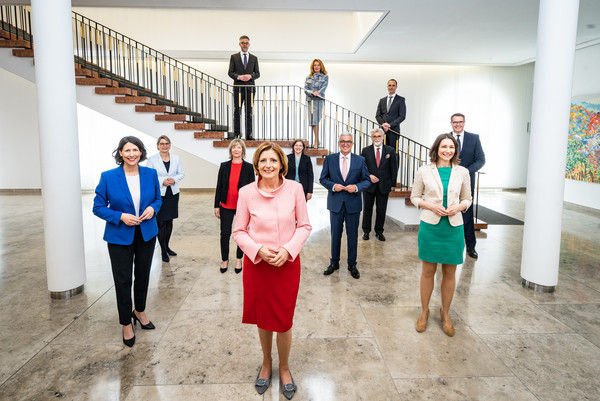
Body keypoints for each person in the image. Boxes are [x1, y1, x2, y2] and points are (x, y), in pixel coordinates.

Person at [232, 142, 312, 399]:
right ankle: (266, 363)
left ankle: (285, 367)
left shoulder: (295, 189)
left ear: (282, 165)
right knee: (264, 318)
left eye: (273, 161)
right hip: (258, 265)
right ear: (256, 165)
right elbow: (238, 231)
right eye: (263, 160)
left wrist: (288, 250)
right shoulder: (246, 192)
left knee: (284, 320)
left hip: (287, 264)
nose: (268, 165)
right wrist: (257, 250)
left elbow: (305, 226)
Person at [93, 136, 162, 347]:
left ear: (141, 152)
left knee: (142, 277)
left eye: (136, 150)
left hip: (146, 234)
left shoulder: (150, 174)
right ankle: (126, 323)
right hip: (119, 237)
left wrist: (152, 208)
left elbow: (158, 199)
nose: (132, 154)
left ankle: (139, 311)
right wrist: (120, 216)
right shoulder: (108, 177)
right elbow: (98, 207)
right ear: (120, 153)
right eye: (127, 150)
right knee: (123, 281)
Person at [410, 133, 472, 337]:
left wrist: (458, 207)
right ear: (436, 149)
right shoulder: (423, 171)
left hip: (453, 227)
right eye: (444, 146)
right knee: (428, 271)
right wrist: (431, 206)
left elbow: (467, 199)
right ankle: (424, 311)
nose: (448, 150)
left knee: (450, 273)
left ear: (455, 150)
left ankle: (445, 313)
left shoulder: (462, 172)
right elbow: (414, 197)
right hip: (431, 226)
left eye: (451, 147)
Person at [319, 133, 371, 279]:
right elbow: (323, 179)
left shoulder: (360, 160)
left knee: (352, 235)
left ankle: (352, 264)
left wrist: (356, 187)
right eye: (343, 141)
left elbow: (366, 181)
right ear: (338, 143)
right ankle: (334, 262)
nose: (345, 144)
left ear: (352, 144)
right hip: (335, 203)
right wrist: (334, 186)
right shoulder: (329, 159)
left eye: (348, 141)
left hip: (353, 204)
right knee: (335, 234)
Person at [214, 139, 255, 274]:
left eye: (238, 147)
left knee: (242, 234)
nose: (236, 150)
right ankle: (224, 259)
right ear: (230, 150)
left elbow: (252, 189)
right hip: (226, 204)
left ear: (243, 150)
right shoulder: (224, 166)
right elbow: (219, 186)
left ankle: (239, 258)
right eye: (233, 148)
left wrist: (251, 208)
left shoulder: (248, 167)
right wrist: (216, 205)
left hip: (242, 206)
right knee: (225, 233)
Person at [449, 113, 486, 259]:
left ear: (464, 122)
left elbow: (481, 159)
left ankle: (471, 246)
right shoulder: (445, 137)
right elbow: (437, 157)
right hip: (448, 180)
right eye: (454, 122)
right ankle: (450, 245)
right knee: (448, 211)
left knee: (467, 213)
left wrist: (465, 172)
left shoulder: (474, 138)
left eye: (460, 122)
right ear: (451, 123)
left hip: (466, 182)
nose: (457, 124)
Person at [146, 135, 185, 263]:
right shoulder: (152, 160)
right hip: (159, 194)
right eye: (162, 143)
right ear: (157, 145)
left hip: (173, 194)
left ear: (170, 145)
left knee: (169, 222)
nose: (164, 146)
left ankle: (167, 246)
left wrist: (174, 179)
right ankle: (163, 250)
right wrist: (163, 181)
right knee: (161, 222)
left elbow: (181, 173)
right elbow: (148, 177)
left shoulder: (176, 158)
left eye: (167, 143)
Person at [361, 128, 398, 241]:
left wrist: (392, 184)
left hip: (384, 185)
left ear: (383, 137)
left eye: (378, 136)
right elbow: (362, 167)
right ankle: (366, 231)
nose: (376, 138)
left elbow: (394, 168)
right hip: (369, 185)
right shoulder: (365, 150)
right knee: (367, 209)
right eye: (374, 136)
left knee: (381, 210)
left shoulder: (390, 150)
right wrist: (369, 176)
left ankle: (379, 232)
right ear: (371, 138)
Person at [228, 35, 260, 140]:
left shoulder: (254, 58)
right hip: (238, 89)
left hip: (250, 90)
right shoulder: (234, 57)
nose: (245, 45)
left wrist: (251, 76)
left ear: (249, 44)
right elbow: (230, 72)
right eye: (243, 43)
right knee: (237, 111)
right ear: (239, 44)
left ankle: (249, 134)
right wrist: (238, 77)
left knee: (249, 112)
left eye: (246, 43)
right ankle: (237, 134)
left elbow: (258, 74)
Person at [375, 79, 406, 155]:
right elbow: (377, 115)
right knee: (383, 152)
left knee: (394, 152)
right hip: (383, 131)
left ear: (396, 87)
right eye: (389, 85)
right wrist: (383, 124)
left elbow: (402, 116)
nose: (391, 87)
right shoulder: (382, 100)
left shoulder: (401, 100)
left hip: (394, 131)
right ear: (387, 87)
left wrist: (390, 125)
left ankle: (395, 167)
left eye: (393, 85)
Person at [303, 59, 329, 148]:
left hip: (318, 101)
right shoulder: (308, 77)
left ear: (321, 66)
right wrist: (312, 92)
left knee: (316, 120)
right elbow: (305, 89)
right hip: (311, 100)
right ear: (312, 67)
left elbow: (323, 88)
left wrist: (317, 93)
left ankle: (316, 140)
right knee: (312, 121)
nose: (316, 67)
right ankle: (317, 139)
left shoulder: (325, 77)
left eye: (318, 65)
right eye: (315, 65)